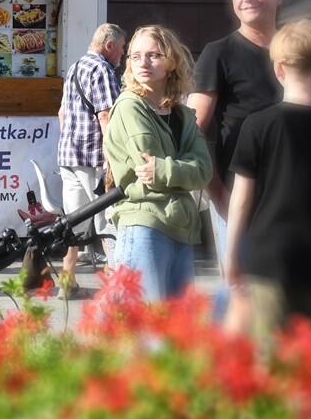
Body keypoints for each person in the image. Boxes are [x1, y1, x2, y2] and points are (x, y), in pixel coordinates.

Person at [225, 19, 311, 347]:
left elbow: (241, 200)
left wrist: (232, 255)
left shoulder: (257, 125)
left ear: (278, 67)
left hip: (269, 257)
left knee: (273, 361)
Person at [188, 0, 283, 310]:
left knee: (285, 303)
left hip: (290, 200)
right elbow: (193, 132)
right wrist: (217, 194)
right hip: (238, 198)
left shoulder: (298, 52)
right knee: (242, 302)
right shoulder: (219, 53)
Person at [105, 25, 212, 301]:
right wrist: (184, 168)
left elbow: (204, 171)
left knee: (175, 325)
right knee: (147, 323)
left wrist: (165, 169)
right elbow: (148, 170)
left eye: (153, 55)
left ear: (171, 60)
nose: (143, 62)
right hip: (144, 225)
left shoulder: (183, 115)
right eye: (135, 56)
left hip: (181, 227)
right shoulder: (129, 106)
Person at [56, 23, 125, 294]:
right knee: (108, 220)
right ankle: (117, 283)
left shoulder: (74, 67)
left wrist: (70, 142)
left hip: (69, 156)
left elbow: (62, 112)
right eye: (122, 48)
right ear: (109, 45)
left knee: (74, 222)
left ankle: (67, 281)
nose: (122, 54)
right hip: (95, 157)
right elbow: (106, 115)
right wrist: (113, 157)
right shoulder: (102, 69)